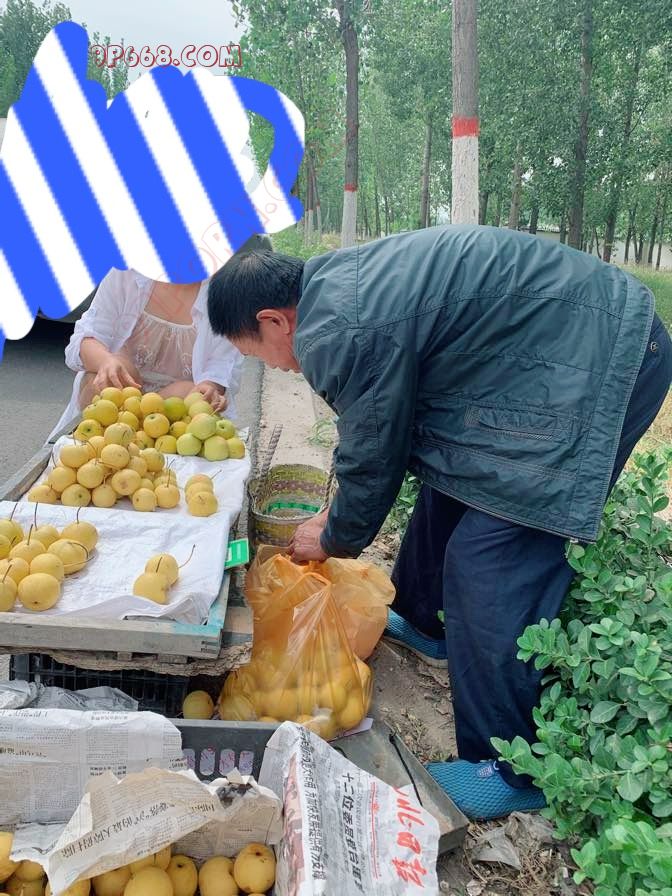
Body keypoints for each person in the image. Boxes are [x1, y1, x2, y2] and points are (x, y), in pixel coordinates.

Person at [206, 225, 672, 821]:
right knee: (450, 482)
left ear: (275, 321)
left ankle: (511, 768)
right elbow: (382, 429)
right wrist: (339, 512)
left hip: (605, 359)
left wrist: (334, 535)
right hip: (550, 356)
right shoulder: (335, 292)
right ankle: (428, 623)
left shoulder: (334, 329)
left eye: (257, 354)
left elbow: (374, 450)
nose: (276, 367)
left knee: (491, 559)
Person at [49, 267, 243, 440]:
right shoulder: (125, 274)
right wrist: (106, 362)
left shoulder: (224, 294)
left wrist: (209, 387)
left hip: (174, 417)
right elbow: (87, 338)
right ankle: (102, 443)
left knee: (189, 391)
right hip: (118, 401)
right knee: (109, 375)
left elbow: (221, 364)